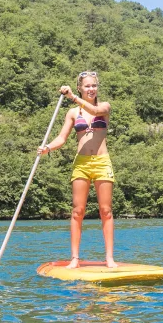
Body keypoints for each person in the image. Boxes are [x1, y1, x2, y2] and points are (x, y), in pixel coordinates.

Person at [38, 71, 117, 269]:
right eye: (87, 86)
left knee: (106, 211)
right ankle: (75, 258)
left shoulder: (104, 107)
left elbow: (95, 111)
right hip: (81, 163)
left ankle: (109, 258)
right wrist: (47, 147)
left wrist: (73, 97)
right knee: (77, 211)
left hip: (102, 162)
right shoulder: (73, 113)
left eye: (94, 86)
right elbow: (62, 138)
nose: (91, 89)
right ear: (81, 88)